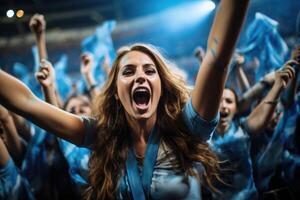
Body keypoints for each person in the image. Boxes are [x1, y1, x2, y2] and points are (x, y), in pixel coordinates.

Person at [0, 0, 250, 199]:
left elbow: (217, 59)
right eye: (128, 72)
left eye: (149, 71)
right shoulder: (101, 135)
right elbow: (27, 102)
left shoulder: (187, 126)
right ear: (117, 93)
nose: (140, 77)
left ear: (161, 87)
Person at [207, 61, 295, 200]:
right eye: (219, 101)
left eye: (229, 101)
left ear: (237, 108)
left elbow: (260, 118)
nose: (223, 106)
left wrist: (277, 86)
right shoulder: (202, 137)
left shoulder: (242, 130)